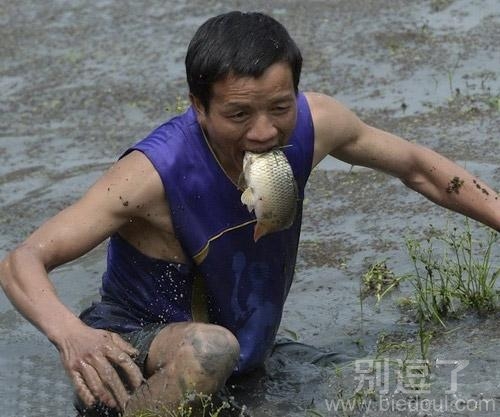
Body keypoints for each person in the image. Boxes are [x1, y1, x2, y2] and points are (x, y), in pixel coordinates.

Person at [1, 10, 499, 417]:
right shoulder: (149, 176)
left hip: (242, 359)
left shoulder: (316, 123)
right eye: (238, 115)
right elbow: (21, 260)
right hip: (141, 356)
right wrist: (72, 336)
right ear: (199, 106)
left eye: (279, 108)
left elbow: (422, 169)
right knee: (212, 350)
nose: (263, 132)